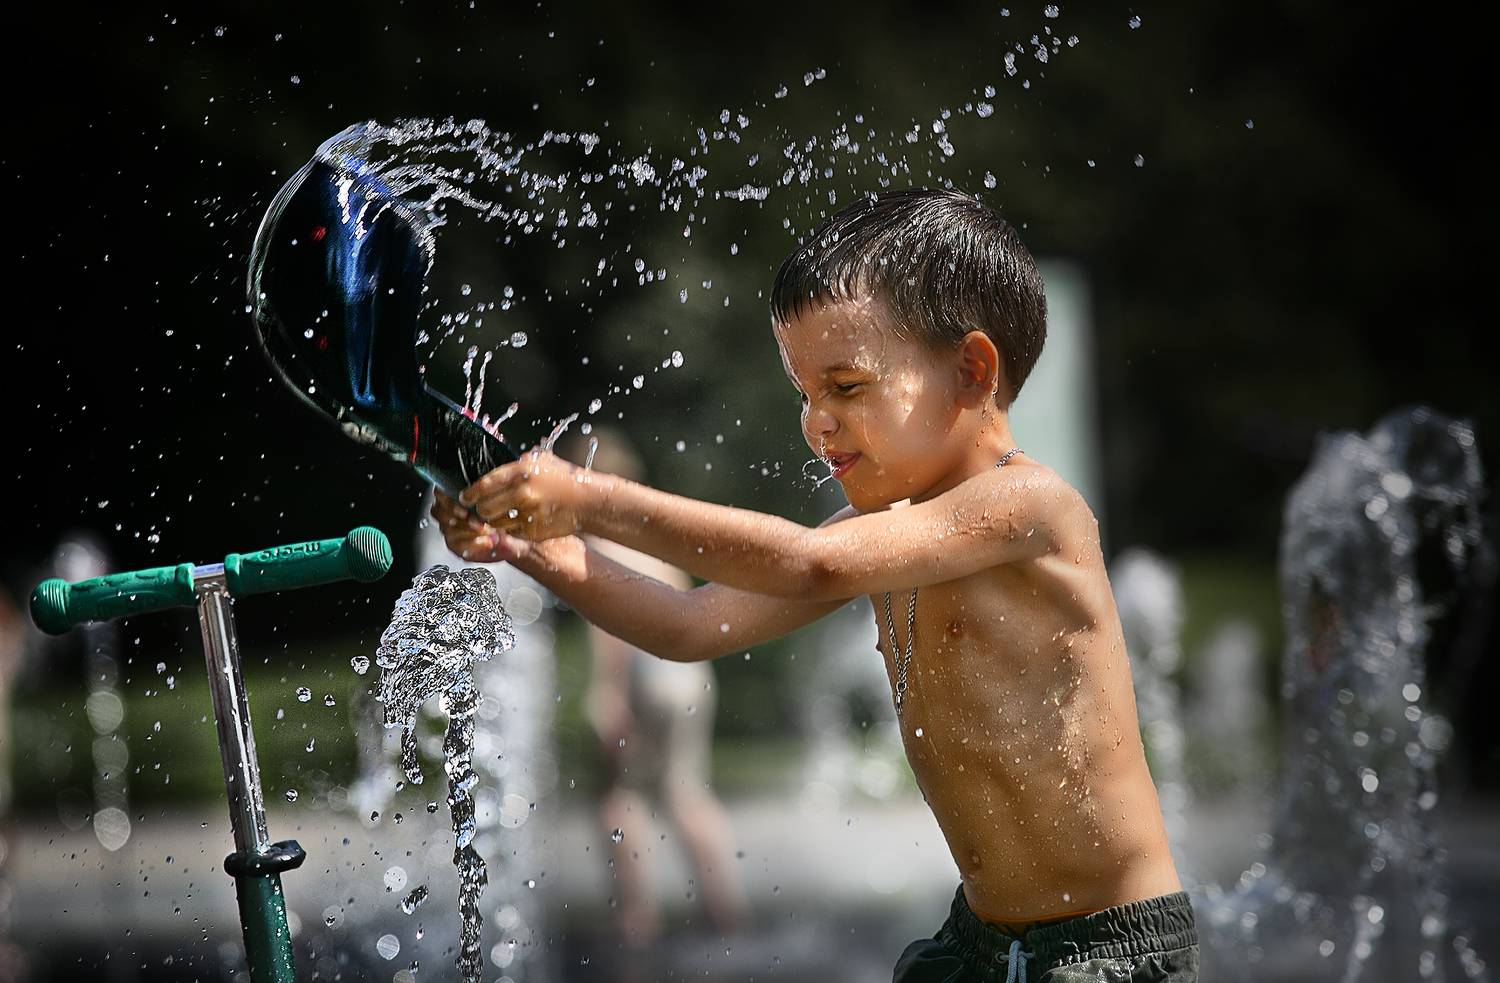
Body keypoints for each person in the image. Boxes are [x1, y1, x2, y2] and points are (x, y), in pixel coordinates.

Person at [433, 188, 1198, 982]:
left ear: (971, 371)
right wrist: (531, 546)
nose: (816, 421)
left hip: (1105, 948)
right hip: (978, 943)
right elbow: (687, 624)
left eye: (846, 385)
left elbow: (807, 562)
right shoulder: (878, 534)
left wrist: (589, 498)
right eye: (805, 393)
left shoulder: (1030, 505)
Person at [560, 429, 746, 948]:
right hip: (690, 679)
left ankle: (636, 921)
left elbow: (609, 631)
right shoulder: (651, 540)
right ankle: (726, 914)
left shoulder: (597, 544)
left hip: (644, 680)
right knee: (687, 794)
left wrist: (607, 695)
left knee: (619, 798)